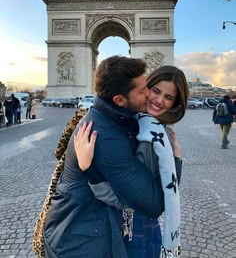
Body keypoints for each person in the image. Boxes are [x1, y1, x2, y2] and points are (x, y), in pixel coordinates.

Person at [43, 56, 176, 258]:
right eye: (143, 90)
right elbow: (155, 204)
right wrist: (175, 159)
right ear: (120, 100)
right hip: (82, 244)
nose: (149, 95)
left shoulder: (119, 119)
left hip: (91, 232)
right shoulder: (105, 135)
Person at [74, 65, 189, 257]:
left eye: (169, 98)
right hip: (128, 225)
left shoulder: (155, 137)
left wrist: (90, 171)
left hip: (137, 227)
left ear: (176, 103)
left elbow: (130, 200)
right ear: (146, 87)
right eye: (156, 91)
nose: (159, 101)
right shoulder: (138, 122)